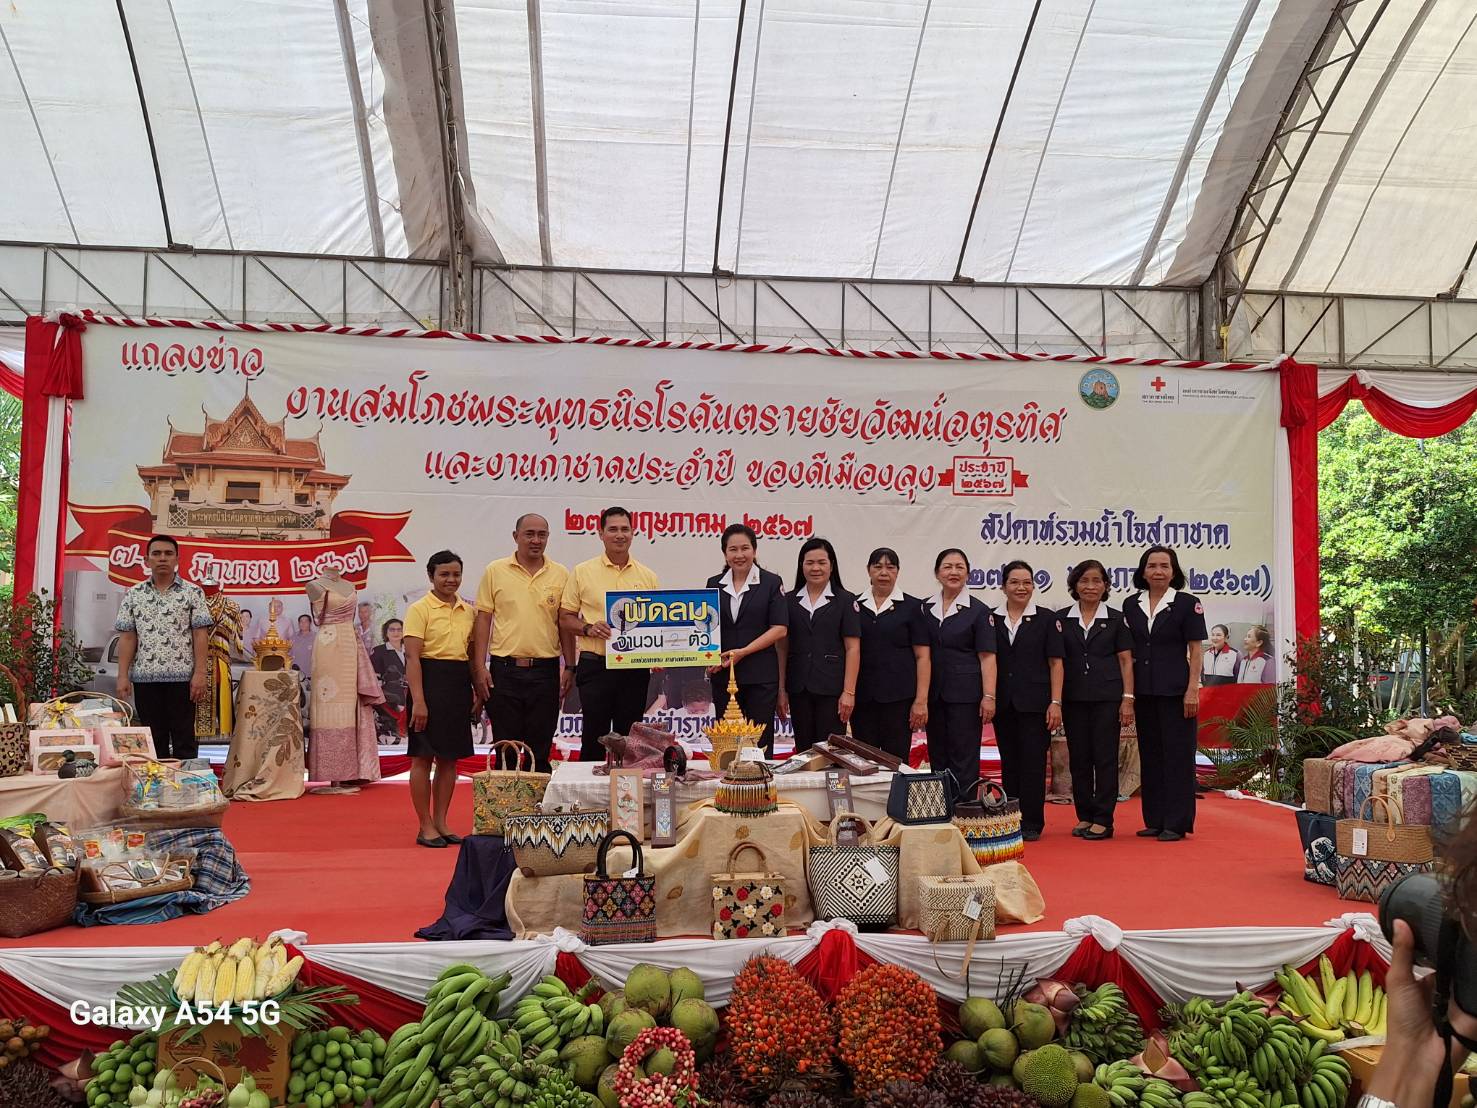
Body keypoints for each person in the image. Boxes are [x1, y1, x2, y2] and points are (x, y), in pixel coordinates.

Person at [473, 513, 575, 773]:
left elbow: (565, 623)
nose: (535, 540)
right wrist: (479, 667)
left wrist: (570, 667)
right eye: (529, 534)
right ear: (515, 536)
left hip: (545, 672)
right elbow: (483, 619)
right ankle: (504, 810)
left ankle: (538, 810)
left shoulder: (561, 574)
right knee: (505, 746)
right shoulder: (496, 571)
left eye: (542, 535)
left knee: (539, 748)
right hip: (503, 671)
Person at [560, 507, 661, 761]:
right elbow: (564, 618)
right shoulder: (582, 572)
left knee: (631, 739)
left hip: (634, 670)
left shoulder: (647, 576)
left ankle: (630, 797)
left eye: (624, 529)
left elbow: (656, 624)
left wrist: (660, 654)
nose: (619, 535)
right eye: (613, 529)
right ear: (601, 534)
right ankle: (590, 799)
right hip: (596, 666)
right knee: (594, 735)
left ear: (633, 533)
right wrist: (588, 628)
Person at [1122, 545, 1206, 842]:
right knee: (1152, 755)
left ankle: (1177, 822)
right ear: (1143, 571)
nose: (1158, 571)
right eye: (1152, 565)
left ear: (1174, 571)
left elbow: (1196, 651)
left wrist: (1192, 690)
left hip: (1177, 692)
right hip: (1144, 691)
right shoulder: (1132, 604)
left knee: (1178, 757)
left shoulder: (1186, 603)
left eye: (1164, 566)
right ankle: (1155, 819)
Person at [114, 535, 212, 760]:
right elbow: (128, 638)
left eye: (168, 554)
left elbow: (200, 634)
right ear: (147, 560)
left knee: (184, 737)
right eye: (156, 554)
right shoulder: (134, 594)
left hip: (183, 680)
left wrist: (200, 673)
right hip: (145, 679)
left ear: (177, 559)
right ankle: (154, 787)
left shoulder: (193, 592)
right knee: (151, 738)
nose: (162, 558)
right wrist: (122, 675)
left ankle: (185, 790)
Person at [404, 550, 476, 847]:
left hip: (457, 685)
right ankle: (425, 826)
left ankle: (442, 821)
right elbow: (412, 657)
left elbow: (471, 656)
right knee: (423, 756)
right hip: (428, 683)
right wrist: (419, 700)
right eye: (444, 574)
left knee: (450, 759)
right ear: (431, 576)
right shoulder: (420, 609)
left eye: (456, 574)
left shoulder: (468, 611)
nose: (451, 580)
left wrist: (475, 690)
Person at [1057, 559, 1134, 841]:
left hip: (1108, 698)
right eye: (1084, 581)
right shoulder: (1062, 619)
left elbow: (1126, 661)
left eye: (1097, 581)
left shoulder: (1116, 619)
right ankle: (1085, 815)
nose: (1090, 586)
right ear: (1075, 585)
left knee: (1104, 758)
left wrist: (1127, 699)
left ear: (1105, 586)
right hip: (1074, 697)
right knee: (1079, 759)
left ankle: (1104, 818)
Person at [992, 560, 1065, 841]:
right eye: (1014, 582)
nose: (1021, 588)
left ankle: (1032, 821)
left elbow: (1056, 664)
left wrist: (1055, 702)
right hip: (1003, 703)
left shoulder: (1047, 619)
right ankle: (1010, 817)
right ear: (1003, 586)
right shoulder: (991, 618)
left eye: (1026, 583)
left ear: (1034, 586)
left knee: (1033, 762)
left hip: (1037, 703)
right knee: (1009, 762)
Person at [705, 524, 787, 754]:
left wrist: (744, 651)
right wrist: (705, 654)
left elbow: (780, 629)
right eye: (733, 549)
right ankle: (728, 788)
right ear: (725, 553)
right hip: (724, 675)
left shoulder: (771, 582)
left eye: (745, 548)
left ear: (754, 550)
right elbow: (706, 628)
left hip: (760, 676)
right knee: (727, 745)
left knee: (759, 744)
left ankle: (761, 789)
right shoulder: (714, 584)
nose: (739, 555)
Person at [921, 548, 995, 794]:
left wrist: (989, 696)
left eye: (959, 567)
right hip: (933, 695)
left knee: (964, 756)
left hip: (966, 696)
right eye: (947, 567)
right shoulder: (924, 608)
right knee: (938, 755)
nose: (953, 572)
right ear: (937, 573)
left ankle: (964, 811)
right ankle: (941, 811)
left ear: (968, 574)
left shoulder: (979, 611)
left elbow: (987, 657)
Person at [779, 537, 861, 752]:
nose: (816, 568)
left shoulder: (845, 600)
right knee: (804, 752)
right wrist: (781, 689)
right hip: (798, 688)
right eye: (809, 562)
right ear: (801, 566)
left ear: (831, 566)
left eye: (822, 562)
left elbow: (853, 648)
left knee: (832, 753)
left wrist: (849, 692)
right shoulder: (788, 601)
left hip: (832, 690)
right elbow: (782, 648)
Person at [851, 547, 929, 759]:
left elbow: (923, 656)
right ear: (868, 571)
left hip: (899, 699)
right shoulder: (854, 605)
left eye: (890, 567)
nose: (884, 572)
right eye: (877, 567)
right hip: (863, 698)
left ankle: (895, 794)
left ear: (898, 571)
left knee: (895, 760)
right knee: (863, 761)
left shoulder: (913, 607)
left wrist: (921, 701)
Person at [370, 619, 407, 740]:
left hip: (411, 695)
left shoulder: (410, 649)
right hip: (389, 698)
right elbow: (374, 677)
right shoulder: (379, 651)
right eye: (392, 629)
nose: (396, 632)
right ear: (386, 633)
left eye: (399, 629)